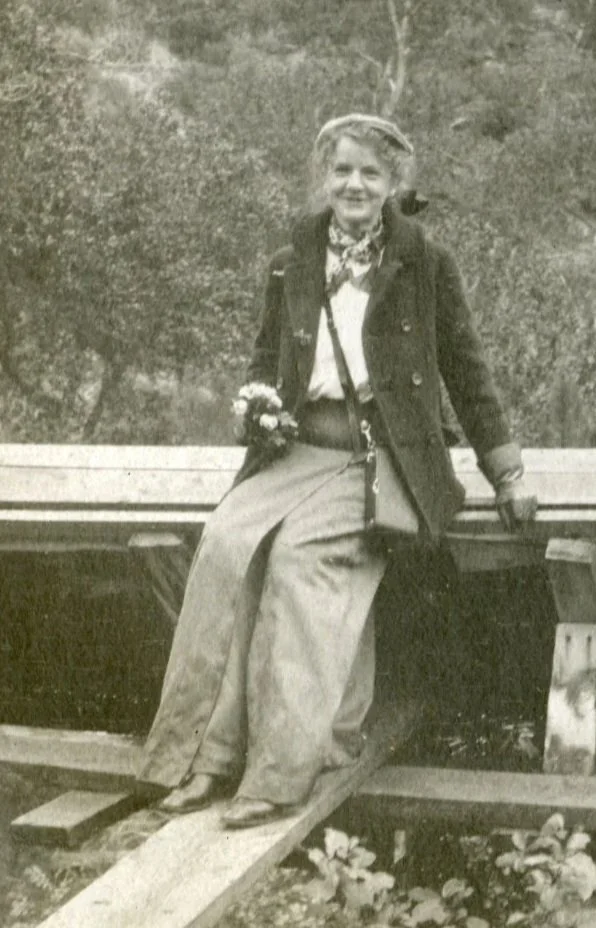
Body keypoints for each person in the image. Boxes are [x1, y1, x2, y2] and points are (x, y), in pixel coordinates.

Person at [137, 113, 537, 828]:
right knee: (224, 551)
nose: (355, 185)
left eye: (371, 174)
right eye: (343, 170)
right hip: (293, 450)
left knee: (298, 563)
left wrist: (504, 472)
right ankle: (203, 759)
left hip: (377, 457)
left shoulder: (424, 263)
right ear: (325, 177)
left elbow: (467, 371)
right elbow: (267, 358)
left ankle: (279, 773)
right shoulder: (293, 258)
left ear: (394, 185)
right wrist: (255, 408)